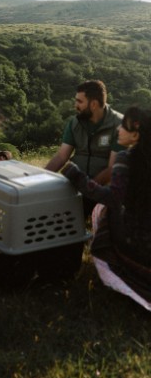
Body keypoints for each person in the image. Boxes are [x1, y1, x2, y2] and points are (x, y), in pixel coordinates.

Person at [61, 106, 151, 311]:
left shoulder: (126, 159)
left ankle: (117, 270)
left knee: (103, 209)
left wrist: (78, 178)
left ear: (136, 134)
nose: (118, 129)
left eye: (124, 126)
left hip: (137, 248)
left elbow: (112, 198)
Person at [45, 79, 123, 214]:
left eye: (79, 102)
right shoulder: (74, 123)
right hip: (75, 185)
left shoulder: (119, 126)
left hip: (102, 191)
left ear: (93, 104)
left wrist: (87, 189)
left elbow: (112, 169)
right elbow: (61, 157)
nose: (75, 105)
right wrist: (40, 178)